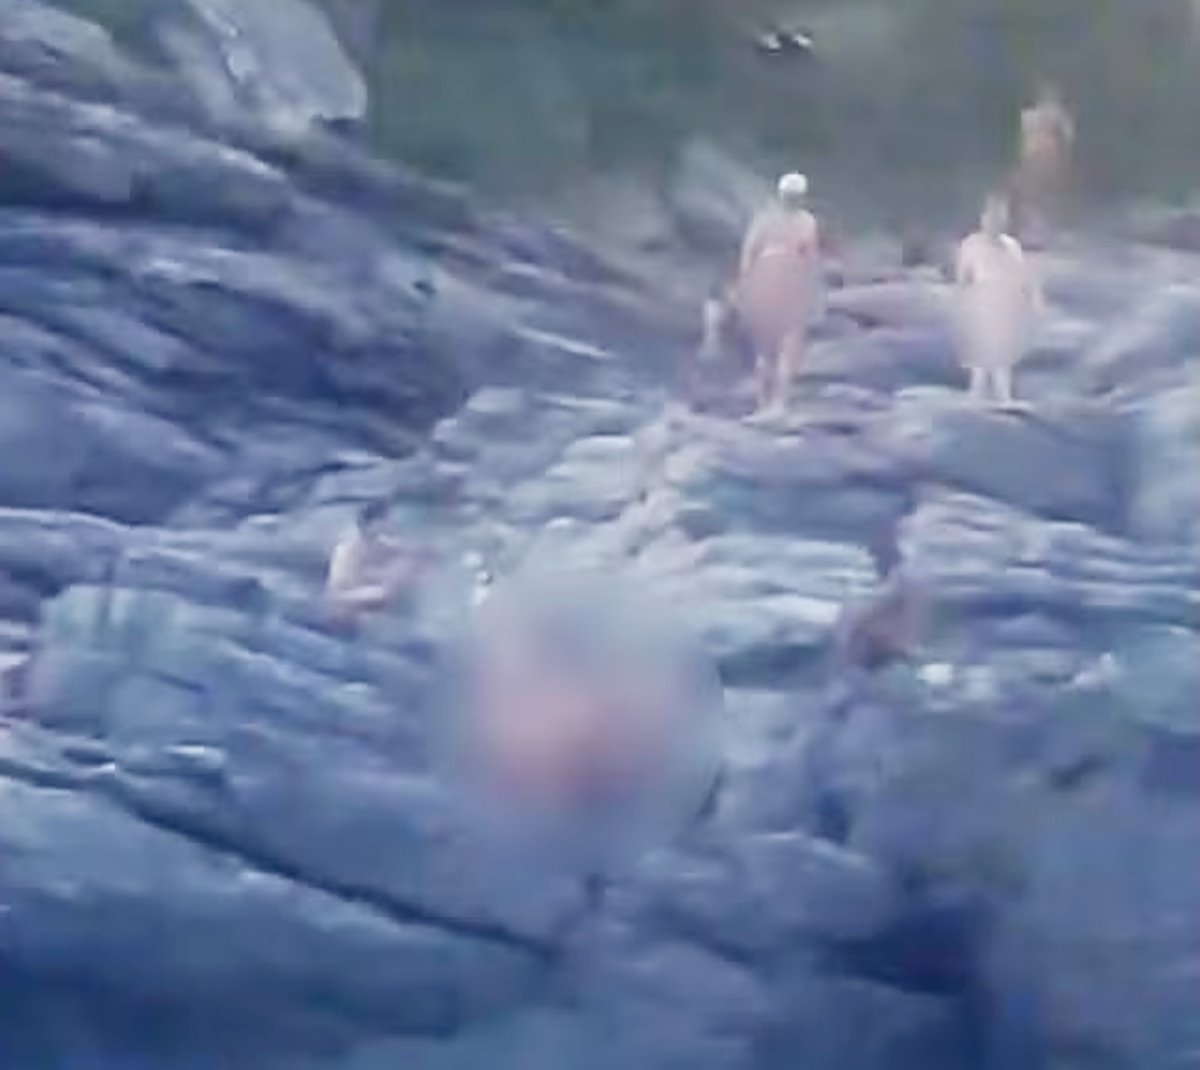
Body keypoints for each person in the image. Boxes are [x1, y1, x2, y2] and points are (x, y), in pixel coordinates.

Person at [734, 171, 821, 415]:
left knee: (764, 350)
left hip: (763, 278)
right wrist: (811, 292)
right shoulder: (807, 222)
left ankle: (762, 403)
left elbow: (748, 255)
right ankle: (778, 404)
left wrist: (744, 287)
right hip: (791, 279)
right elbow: (810, 260)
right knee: (788, 346)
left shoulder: (764, 220)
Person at [955, 193, 1041, 406]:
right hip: (982, 308)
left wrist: (1033, 300)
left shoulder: (1012, 246)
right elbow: (963, 280)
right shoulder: (971, 244)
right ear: (983, 218)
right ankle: (976, 400)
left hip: (1006, 310)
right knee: (981, 361)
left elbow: (1024, 277)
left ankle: (1004, 399)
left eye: (1001, 217)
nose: (996, 221)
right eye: (992, 216)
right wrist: (964, 308)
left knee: (1003, 360)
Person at [323, 500, 423, 624]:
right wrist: (378, 587)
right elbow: (336, 593)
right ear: (372, 523)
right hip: (341, 600)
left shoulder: (373, 538)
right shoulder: (347, 548)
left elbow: (398, 547)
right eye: (385, 521)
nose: (390, 524)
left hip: (361, 587)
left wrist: (418, 553)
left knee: (407, 565)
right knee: (384, 592)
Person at [1014, 82, 1075, 243]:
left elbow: (1067, 137)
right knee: (1040, 192)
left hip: (1037, 155)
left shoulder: (1030, 115)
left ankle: (1038, 225)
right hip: (1043, 155)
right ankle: (1034, 225)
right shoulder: (1053, 115)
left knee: (1038, 191)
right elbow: (1068, 137)